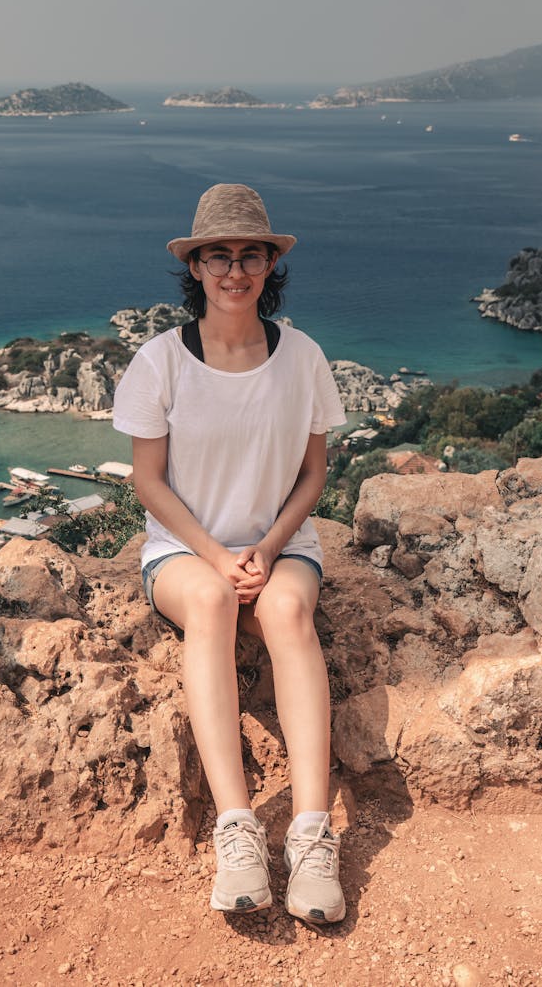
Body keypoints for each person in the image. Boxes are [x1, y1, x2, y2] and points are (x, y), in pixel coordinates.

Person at [112, 183, 347, 924]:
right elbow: (147, 480)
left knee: (285, 612)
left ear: (269, 265)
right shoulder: (160, 363)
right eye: (220, 254)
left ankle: (311, 832)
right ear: (198, 267)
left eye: (250, 254)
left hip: (284, 547)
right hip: (185, 552)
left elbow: (315, 472)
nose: (235, 269)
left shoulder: (302, 357)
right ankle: (238, 828)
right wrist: (217, 555)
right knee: (213, 603)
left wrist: (270, 547)